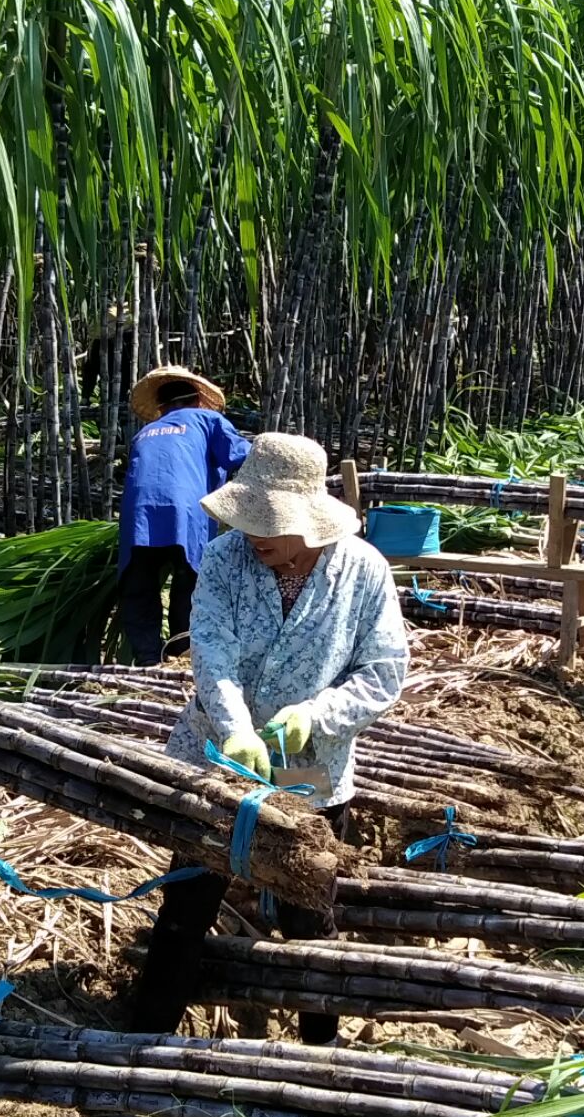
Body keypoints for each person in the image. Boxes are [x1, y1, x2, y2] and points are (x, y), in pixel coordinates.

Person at [128, 432, 409, 1043]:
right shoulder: (226, 560)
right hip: (220, 757)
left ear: (308, 522)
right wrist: (235, 730)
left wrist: (319, 713)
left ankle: (320, 1042)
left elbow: (384, 670)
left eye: (269, 524)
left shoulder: (363, 572)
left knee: (312, 911)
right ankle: (144, 1040)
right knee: (186, 907)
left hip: (312, 770)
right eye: (249, 518)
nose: (256, 535)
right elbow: (212, 654)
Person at [117, 364, 250, 664]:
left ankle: (148, 661)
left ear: (161, 407)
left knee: (139, 586)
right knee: (190, 582)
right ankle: (183, 655)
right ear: (197, 400)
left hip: (139, 517)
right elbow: (241, 455)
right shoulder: (208, 419)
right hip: (186, 514)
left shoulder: (145, 432)